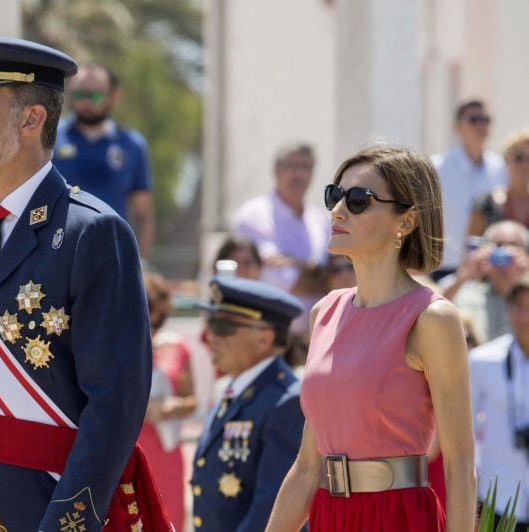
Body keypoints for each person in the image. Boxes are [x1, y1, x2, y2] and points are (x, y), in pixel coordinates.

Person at [0, 32, 169, 531]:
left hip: (52, 509)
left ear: (31, 118)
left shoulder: (93, 233)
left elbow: (115, 404)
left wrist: (68, 523)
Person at [266, 145, 476, 531]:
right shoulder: (324, 312)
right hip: (330, 515)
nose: (338, 210)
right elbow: (308, 466)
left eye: (358, 200)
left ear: (406, 221)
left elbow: (460, 464)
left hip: (398, 517)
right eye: (334, 195)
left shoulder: (432, 318)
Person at [191, 276, 304, 531]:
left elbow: (274, 507)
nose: (211, 336)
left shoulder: (287, 401)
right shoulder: (234, 390)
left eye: (223, 326)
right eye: (210, 323)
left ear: (264, 339)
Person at [52, 62, 154, 259]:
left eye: (95, 96)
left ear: (114, 96)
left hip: (113, 254)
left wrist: (140, 261)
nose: (87, 102)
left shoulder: (132, 145)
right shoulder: (50, 139)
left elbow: (143, 214)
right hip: (59, 252)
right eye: (80, 95)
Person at [232, 143, 330, 331]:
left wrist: (298, 264)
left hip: (315, 337)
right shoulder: (254, 216)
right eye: (291, 166)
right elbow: (282, 282)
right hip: (267, 337)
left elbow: (339, 278)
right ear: (276, 170)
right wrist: (319, 274)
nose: (299, 174)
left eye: (306, 167)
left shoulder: (321, 220)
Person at [470, 275, 529, 531]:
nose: (525, 317)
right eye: (519, 307)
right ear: (508, 308)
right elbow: (466, 427)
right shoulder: (482, 360)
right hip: (499, 493)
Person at [139, 272, 197, 531]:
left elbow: (193, 400)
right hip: (129, 448)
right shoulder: (116, 347)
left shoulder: (176, 346)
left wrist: (172, 408)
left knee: (168, 518)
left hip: (166, 449)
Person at [431, 99, 506, 279]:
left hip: (490, 271)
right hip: (446, 269)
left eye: (485, 119)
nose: (481, 125)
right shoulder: (437, 168)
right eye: (473, 119)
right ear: (458, 127)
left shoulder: (501, 168)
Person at [440, 220, 529, 342]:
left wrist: (526, 275)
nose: (505, 252)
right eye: (498, 245)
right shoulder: (468, 294)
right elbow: (434, 309)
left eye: (513, 246)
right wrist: (465, 275)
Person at [469, 128, 529, 235]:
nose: (525, 164)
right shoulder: (486, 204)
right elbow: (472, 242)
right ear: (506, 160)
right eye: (519, 158)